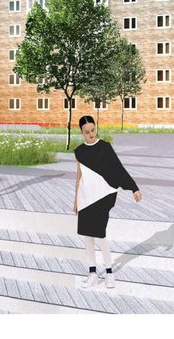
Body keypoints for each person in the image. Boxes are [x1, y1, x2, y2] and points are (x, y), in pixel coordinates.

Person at [74, 115, 142, 289]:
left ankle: (109, 273)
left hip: (104, 195)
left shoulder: (105, 147)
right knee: (88, 236)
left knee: (100, 234)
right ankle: (92, 274)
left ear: (95, 128)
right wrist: (76, 200)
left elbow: (118, 168)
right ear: (81, 132)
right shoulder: (79, 151)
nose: (90, 134)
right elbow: (79, 175)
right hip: (85, 197)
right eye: (86, 132)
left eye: (92, 130)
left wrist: (134, 187)